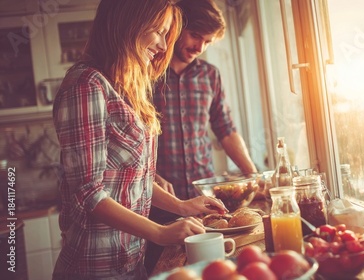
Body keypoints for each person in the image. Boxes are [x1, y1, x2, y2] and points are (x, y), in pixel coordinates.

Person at [52, 0, 226, 279]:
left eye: (166, 35)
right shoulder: (86, 85)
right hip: (95, 268)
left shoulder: (125, 87)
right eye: (158, 31)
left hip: (132, 262)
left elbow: (135, 178)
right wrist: (160, 232)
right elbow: (89, 193)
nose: (161, 45)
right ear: (127, 22)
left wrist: (180, 205)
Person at [145, 0, 257, 274]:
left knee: (211, 271)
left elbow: (226, 130)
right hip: (156, 204)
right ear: (177, 28)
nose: (200, 47)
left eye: (207, 42)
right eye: (196, 36)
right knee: (164, 271)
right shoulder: (146, 73)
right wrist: (150, 177)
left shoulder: (210, 75)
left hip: (203, 203)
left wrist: (252, 175)